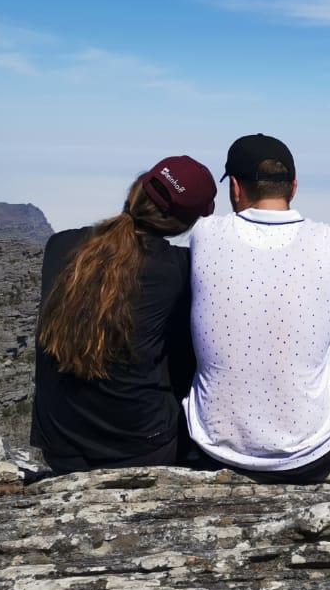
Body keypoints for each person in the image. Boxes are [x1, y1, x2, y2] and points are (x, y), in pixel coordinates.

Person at [184, 133, 330, 478]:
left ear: (235, 188)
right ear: (293, 187)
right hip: (310, 454)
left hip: (211, 446)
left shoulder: (205, 234)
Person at [32, 156, 217, 473]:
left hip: (59, 446)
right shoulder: (180, 270)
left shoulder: (60, 245)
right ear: (184, 224)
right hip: (140, 447)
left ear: (137, 190)